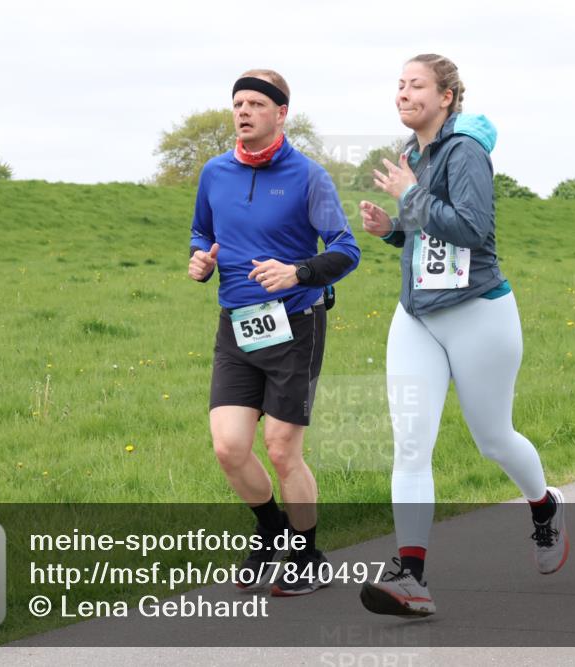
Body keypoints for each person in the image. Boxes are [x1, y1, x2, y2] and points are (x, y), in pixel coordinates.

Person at [356, 54, 568, 617]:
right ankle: (411, 577)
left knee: (493, 439)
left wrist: (410, 197)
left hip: (478, 312)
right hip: (417, 316)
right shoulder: (411, 153)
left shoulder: (466, 150)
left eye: (416, 85)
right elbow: (426, 235)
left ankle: (544, 506)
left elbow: (472, 229)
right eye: (399, 85)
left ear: (446, 97)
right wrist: (392, 229)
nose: (403, 94)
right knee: (410, 443)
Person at [188, 69, 361, 595]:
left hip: (295, 326)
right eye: (238, 103)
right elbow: (202, 232)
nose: (243, 111)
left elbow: (346, 249)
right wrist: (200, 260)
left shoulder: (309, 176)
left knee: (282, 449)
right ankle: (271, 531)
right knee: (229, 447)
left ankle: (308, 556)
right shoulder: (215, 173)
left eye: (256, 104)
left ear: (281, 113)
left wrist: (298, 272)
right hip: (237, 327)